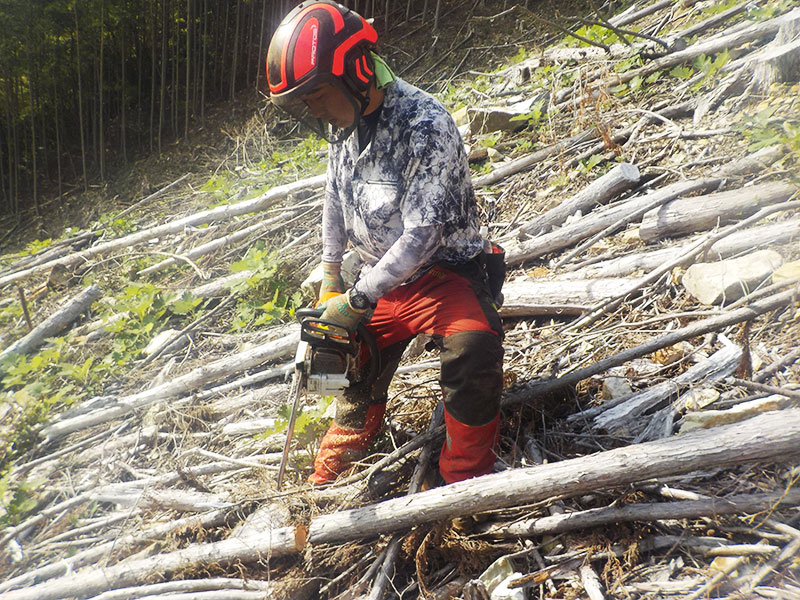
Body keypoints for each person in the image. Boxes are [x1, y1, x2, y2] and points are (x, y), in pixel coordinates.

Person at [266, 0, 504, 485]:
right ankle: (333, 467)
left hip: (443, 273)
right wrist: (332, 273)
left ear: (356, 71)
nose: (313, 108)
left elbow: (422, 235)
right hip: (377, 278)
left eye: (316, 94)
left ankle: (464, 483)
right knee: (343, 352)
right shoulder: (346, 126)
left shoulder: (425, 124)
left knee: (472, 350)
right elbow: (335, 196)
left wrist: (356, 299)